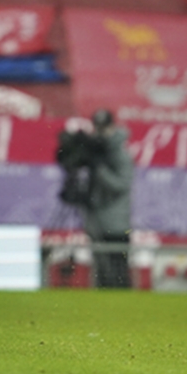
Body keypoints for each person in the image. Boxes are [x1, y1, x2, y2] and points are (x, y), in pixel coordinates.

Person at [60, 109, 134, 289]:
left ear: (112, 127)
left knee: (118, 271)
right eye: (97, 127)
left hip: (116, 224)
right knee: (101, 269)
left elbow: (121, 185)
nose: (100, 132)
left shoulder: (120, 155)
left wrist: (99, 168)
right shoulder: (95, 150)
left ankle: (123, 308)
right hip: (95, 220)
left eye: (104, 128)